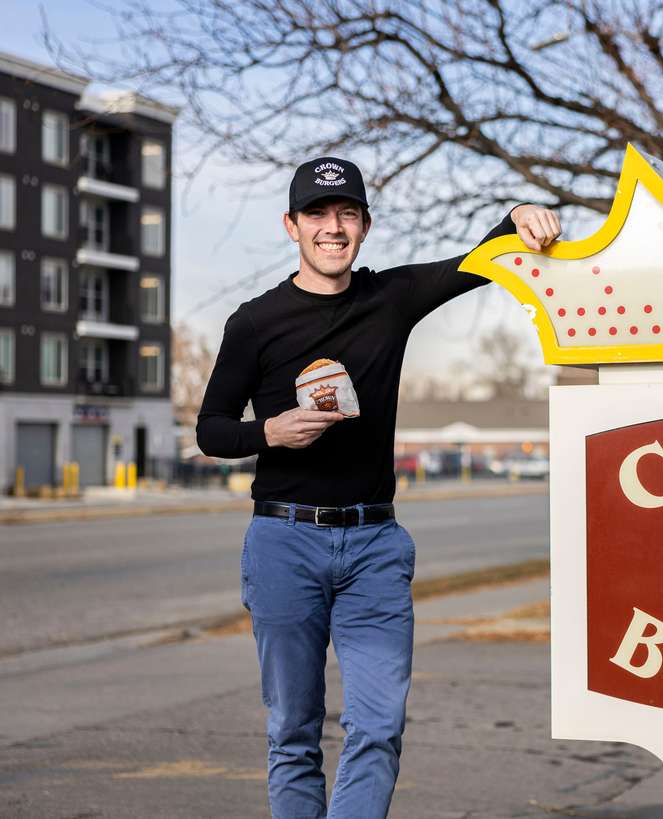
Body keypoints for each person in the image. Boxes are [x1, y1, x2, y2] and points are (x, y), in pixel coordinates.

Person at [195, 156, 560, 818]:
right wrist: (270, 432)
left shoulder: (387, 300)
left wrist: (515, 217)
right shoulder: (254, 321)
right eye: (317, 214)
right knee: (293, 733)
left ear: (363, 225)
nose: (332, 227)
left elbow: (476, 262)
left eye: (346, 213)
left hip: (373, 547)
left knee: (378, 728)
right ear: (292, 225)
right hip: (283, 541)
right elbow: (212, 429)